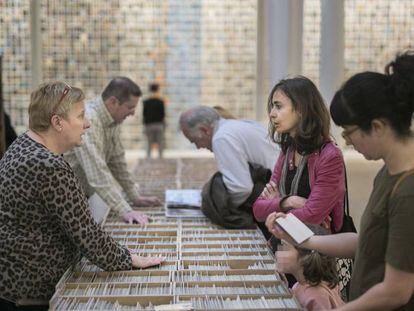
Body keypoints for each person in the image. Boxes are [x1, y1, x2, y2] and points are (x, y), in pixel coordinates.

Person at [267, 51, 414, 310]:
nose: (346, 141)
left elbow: (396, 291)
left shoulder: (408, 191)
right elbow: (368, 242)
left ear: (377, 127)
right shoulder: (387, 173)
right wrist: (305, 239)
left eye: (349, 132)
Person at [0, 82, 163, 310]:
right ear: (57, 122)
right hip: (31, 289)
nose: (87, 124)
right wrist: (131, 258)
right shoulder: (49, 165)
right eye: (80, 116)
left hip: (12, 281)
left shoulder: (23, 145)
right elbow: (87, 235)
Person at [253, 76, 345, 233]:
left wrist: (276, 206)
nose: (272, 114)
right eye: (272, 107)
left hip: (319, 250)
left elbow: (312, 215)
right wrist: (289, 201)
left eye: (278, 106)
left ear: (301, 109)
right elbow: (258, 210)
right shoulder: (288, 151)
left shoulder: (330, 156)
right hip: (287, 242)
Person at [65, 77, 160, 225]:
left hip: (80, 196)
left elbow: (117, 161)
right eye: (130, 107)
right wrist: (125, 210)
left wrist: (133, 195)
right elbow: (97, 173)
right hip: (64, 199)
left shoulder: (112, 120)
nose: (133, 113)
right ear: (113, 102)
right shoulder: (90, 120)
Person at [179, 106, 280, 229]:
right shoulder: (237, 125)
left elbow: (241, 187)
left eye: (195, 141)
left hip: (276, 194)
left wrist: (219, 206)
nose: (198, 147)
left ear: (204, 130)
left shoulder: (221, 138)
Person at [276, 226, 344, 311]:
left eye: (285, 247)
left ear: (304, 258)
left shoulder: (316, 297)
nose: (279, 251)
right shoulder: (304, 284)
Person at [143, 82, 166, 158]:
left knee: (149, 143)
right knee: (160, 143)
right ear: (157, 90)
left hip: (149, 125)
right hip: (159, 125)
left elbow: (144, 115)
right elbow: (163, 115)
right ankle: (160, 158)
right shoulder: (161, 102)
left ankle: (148, 158)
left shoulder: (146, 102)